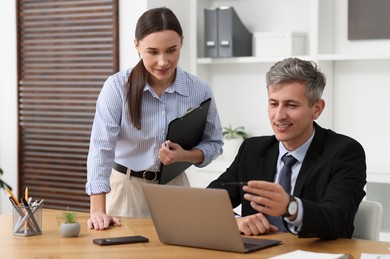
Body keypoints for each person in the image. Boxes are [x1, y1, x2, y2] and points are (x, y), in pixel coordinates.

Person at [86, 7, 223, 230]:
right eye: (152, 52)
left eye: (171, 50)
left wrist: (185, 155)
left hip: (176, 188)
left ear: (182, 43)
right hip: (126, 191)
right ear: (137, 45)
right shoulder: (117, 87)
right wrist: (98, 210)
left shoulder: (199, 89)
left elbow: (214, 144)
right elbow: (100, 149)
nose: (163, 61)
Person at [207, 57, 366, 240]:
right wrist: (234, 221)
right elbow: (209, 201)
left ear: (317, 109)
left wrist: (291, 207)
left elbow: (338, 218)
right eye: (274, 104)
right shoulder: (252, 150)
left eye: (291, 105)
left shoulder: (345, 152)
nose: (279, 116)